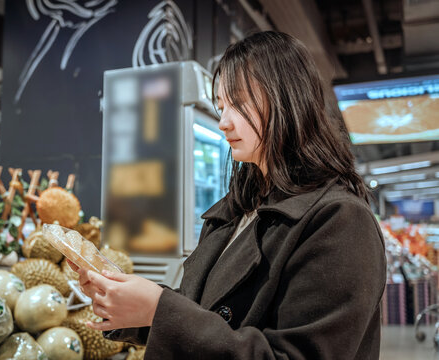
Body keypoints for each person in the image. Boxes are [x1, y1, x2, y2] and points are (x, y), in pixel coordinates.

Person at [69, 31, 386, 359]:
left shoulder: (341, 221)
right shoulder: (240, 208)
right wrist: (133, 305)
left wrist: (159, 309)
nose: (222, 122)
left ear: (287, 98)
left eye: (237, 103)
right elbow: (207, 310)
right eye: (221, 106)